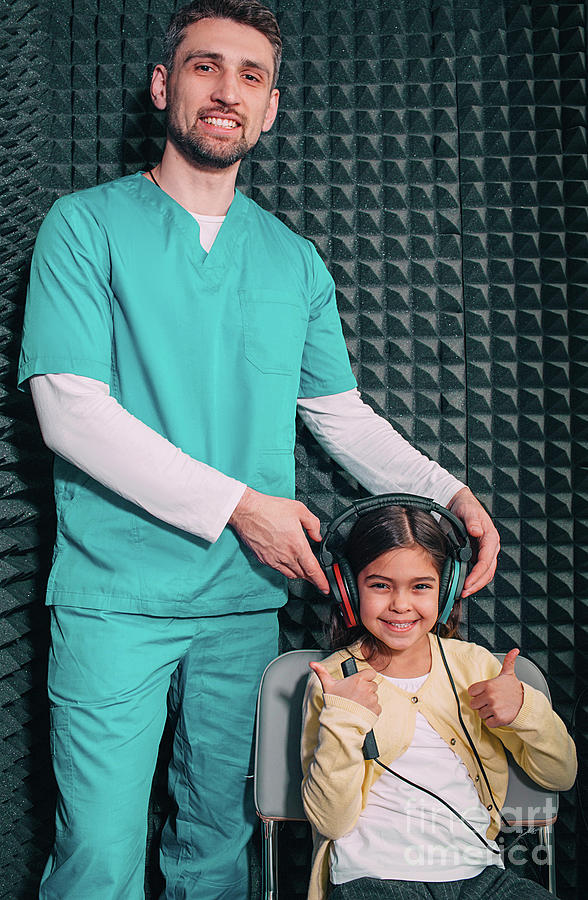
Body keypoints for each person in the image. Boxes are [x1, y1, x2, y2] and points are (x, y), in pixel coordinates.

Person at [18, 1, 500, 897]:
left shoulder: (295, 262)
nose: (226, 91)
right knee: (96, 855)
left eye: (250, 76)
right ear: (165, 87)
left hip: (243, 606)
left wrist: (453, 494)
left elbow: (342, 419)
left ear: (270, 109)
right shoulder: (82, 228)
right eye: (205, 67)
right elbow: (70, 412)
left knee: (216, 847)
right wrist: (242, 506)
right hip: (114, 602)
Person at [301, 502, 577, 900]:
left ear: (445, 590)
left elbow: (561, 775)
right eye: (380, 585)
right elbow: (330, 821)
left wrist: (523, 711)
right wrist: (342, 720)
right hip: (372, 878)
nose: (400, 604)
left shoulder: (475, 666)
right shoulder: (334, 681)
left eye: (421, 586)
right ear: (348, 588)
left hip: (479, 875)